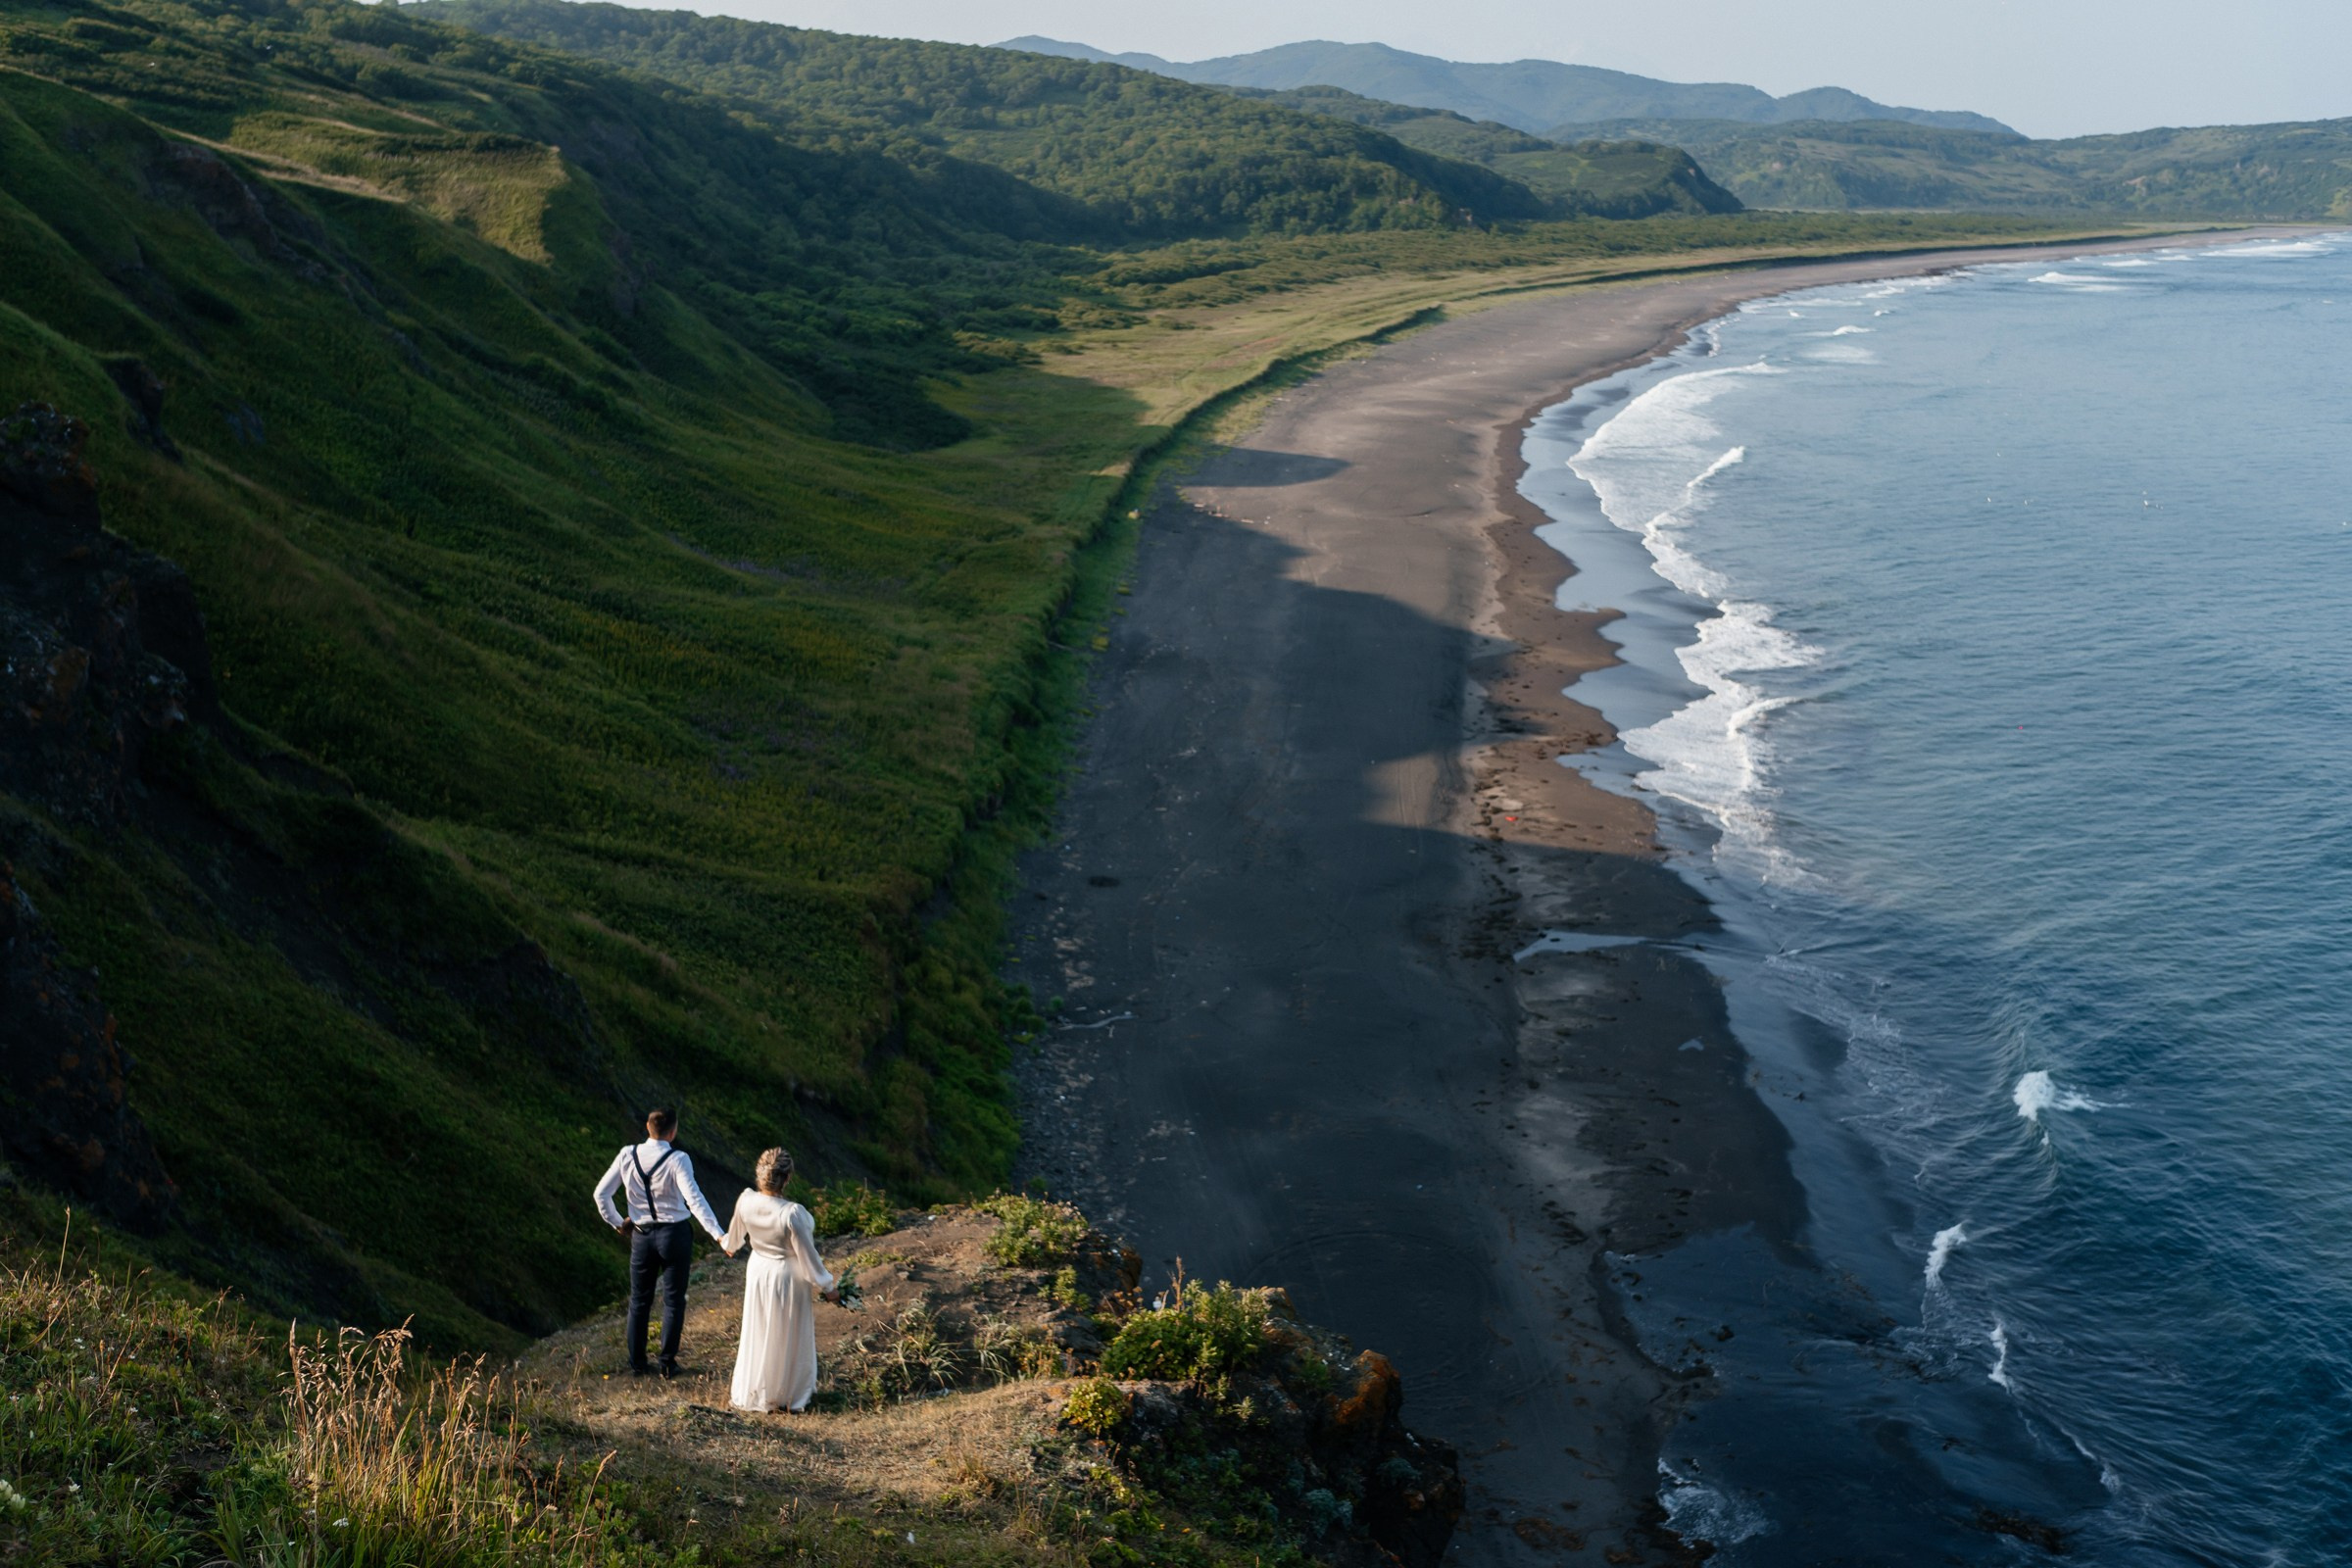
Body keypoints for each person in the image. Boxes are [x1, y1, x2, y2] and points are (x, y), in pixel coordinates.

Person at [592, 1108, 728, 1378]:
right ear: (673, 1131)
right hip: (674, 1235)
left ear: (647, 1126)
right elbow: (694, 1198)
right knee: (674, 1300)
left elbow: (601, 1194)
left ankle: (637, 1364)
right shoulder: (678, 1158)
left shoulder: (627, 1155)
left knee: (639, 1301)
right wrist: (718, 1234)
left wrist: (619, 1223)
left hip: (641, 1236)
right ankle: (667, 1363)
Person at [722, 1148, 837, 1413]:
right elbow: (808, 1258)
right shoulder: (792, 1213)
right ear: (787, 1179)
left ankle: (757, 1390)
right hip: (787, 1276)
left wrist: (728, 1243)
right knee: (787, 1333)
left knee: (759, 1330)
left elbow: (734, 1240)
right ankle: (787, 1394)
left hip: (758, 1270)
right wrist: (829, 1287)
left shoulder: (746, 1200)